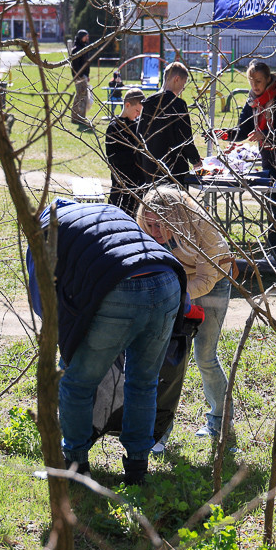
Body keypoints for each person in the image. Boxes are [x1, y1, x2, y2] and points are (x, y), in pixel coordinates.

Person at [26, 198, 187, 485]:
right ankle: (137, 468)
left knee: (77, 381)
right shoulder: (104, 211)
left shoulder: (42, 232)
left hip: (121, 287)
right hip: (168, 278)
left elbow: (44, 304)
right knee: (143, 382)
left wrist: (67, 342)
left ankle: (74, 466)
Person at [137, 186, 234, 448]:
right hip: (176, 283)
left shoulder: (201, 225)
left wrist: (175, 292)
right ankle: (159, 433)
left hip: (213, 282)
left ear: (177, 218)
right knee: (166, 358)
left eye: (160, 225)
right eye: (149, 224)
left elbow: (206, 278)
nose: (154, 232)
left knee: (205, 356)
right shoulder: (143, 228)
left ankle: (220, 423)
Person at [217, 60, 276, 261]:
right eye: (251, 81)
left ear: (268, 79)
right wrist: (225, 134)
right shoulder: (252, 101)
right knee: (272, 210)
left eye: (258, 81)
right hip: (270, 162)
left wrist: (266, 134)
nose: (255, 85)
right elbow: (243, 130)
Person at [137, 62, 202, 184]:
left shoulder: (148, 103)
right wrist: (195, 160)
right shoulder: (178, 105)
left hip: (150, 166)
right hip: (173, 168)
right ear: (176, 79)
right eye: (183, 83)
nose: (183, 88)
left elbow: (139, 134)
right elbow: (185, 138)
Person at [106, 88, 148, 217]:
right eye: (137, 111)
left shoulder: (137, 126)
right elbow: (114, 158)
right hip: (122, 186)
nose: (138, 115)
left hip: (139, 185)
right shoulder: (114, 128)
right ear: (127, 105)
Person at [70, 29, 92, 130]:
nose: (87, 38)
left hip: (84, 76)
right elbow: (75, 66)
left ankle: (76, 116)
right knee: (82, 97)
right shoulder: (76, 49)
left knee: (80, 96)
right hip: (79, 77)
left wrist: (87, 75)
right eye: (85, 36)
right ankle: (79, 117)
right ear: (80, 37)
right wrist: (80, 76)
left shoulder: (84, 48)